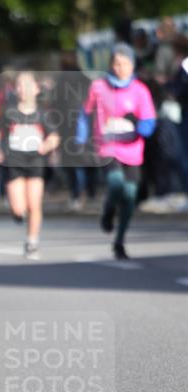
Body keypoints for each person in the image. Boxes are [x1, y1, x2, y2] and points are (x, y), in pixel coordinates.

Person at [77, 43, 157, 259]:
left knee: (130, 196)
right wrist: (80, 137)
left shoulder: (140, 90)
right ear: (111, 64)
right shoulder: (99, 87)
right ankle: (108, 210)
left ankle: (119, 241)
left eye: (125, 64)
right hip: (107, 146)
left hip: (132, 149)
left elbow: (149, 121)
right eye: (116, 63)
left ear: (132, 65)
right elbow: (85, 114)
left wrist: (141, 126)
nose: (120, 68)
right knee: (114, 182)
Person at [0, 69, 60, 259]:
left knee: (34, 205)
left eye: (28, 85)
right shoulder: (9, 112)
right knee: (18, 208)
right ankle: (17, 214)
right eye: (19, 85)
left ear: (37, 89)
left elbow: (54, 136)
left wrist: (48, 145)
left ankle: (32, 242)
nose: (24, 89)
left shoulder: (43, 114)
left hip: (36, 161)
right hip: (14, 161)